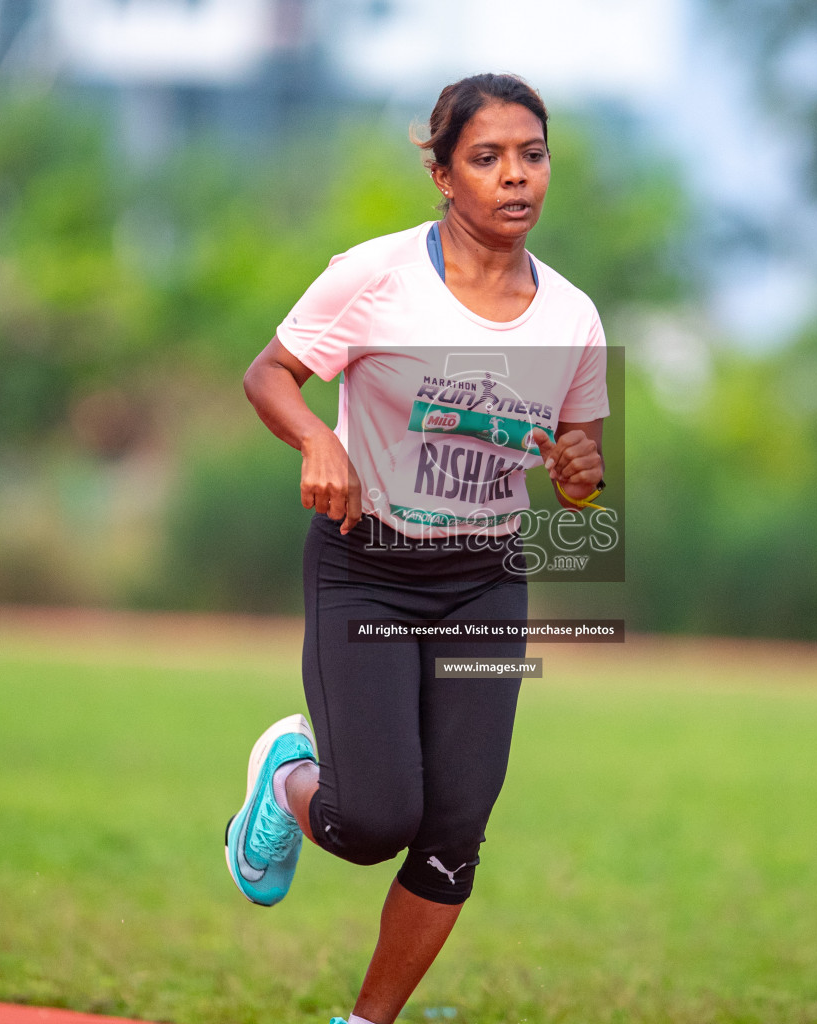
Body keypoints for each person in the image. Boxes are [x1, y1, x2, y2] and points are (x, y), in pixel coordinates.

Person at [232, 72, 609, 1024]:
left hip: (485, 578)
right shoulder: (377, 275)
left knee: (455, 833)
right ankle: (287, 775)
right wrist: (319, 439)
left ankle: (363, 1023)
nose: (514, 177)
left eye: (532, 154)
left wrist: (577, 470)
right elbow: (268, 374)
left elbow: (580, 475)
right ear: (443, 174)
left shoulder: (574, 317)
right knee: (372, 825)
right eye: (487, 158)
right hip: (369, 567)